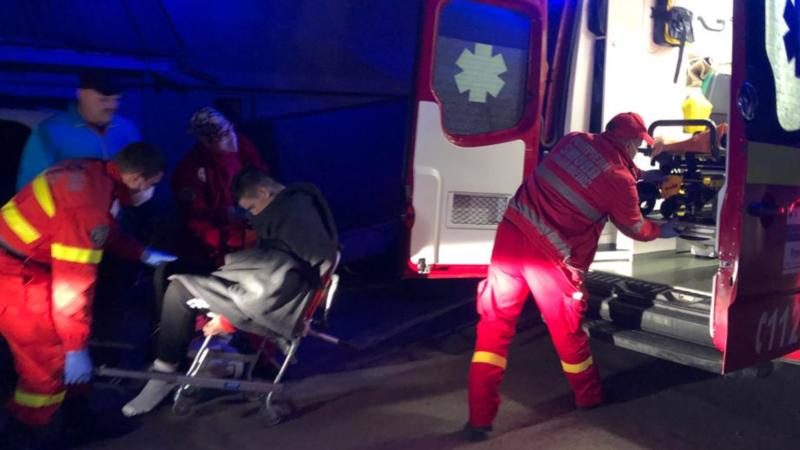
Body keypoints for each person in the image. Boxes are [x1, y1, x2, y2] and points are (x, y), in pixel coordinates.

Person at [465, 112, 680, 441]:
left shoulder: (574, 140)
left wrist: (643, 176)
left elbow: (595, 169)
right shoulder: (620, 180)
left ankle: (479, 419)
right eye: (637, 144)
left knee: (494, 327)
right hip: (551, 259)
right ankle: (589, 398)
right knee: (567, 333)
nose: (638, 148)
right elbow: (635, 226)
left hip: (511, 237)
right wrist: (662, 230)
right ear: (628, 143)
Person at [122, 168, 337, 417]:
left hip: (271, 295)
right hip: (259, 279)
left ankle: (164, 372)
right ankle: (171, 347)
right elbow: (275, 261)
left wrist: (227, 319)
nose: (253, 215)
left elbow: (288, 273)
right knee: (169, 270)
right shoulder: (287, 210)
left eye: (252, 207)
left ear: (263, 191)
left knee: (179, 290)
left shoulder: (296, 211)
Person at [0, 143, 176, 440]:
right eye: (152, 184)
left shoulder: (94, 174)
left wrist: (140, 253)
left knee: (69, 348)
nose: (151, 191)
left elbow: (103, 230)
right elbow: (73, 287)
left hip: (24, 264)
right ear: (136, 178)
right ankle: (23, 435)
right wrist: (75, 348)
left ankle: (78, 420)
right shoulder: (88, 205)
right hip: (14, 276)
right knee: (48, 361)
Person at [172, 107, 268, 265]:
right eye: (223, 135)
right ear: (205, 141)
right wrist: (225, 232)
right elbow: (195, 218)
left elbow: (261, 176)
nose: (231, 137)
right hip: (221, 242)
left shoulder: (243, 147)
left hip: (254, 227)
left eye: (231, 129)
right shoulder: (189, 171)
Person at [16, 69, 141, 191]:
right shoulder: (49, 132)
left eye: (117, 99)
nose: (113, 106)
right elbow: (29, 188)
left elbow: (141, 175)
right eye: (104, 99)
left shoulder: (127, 129)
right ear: (81, 95)